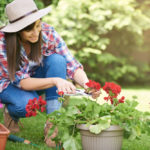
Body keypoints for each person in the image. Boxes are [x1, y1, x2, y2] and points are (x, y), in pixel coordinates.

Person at [0, 0, 100, 135]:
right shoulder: (4, 42)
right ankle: (11, 113)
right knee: (27, 105)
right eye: (29, 29)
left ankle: (52, 125)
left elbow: (72, 64)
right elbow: (23, 82)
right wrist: (56, 81)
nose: (36, 32)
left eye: (38, 25)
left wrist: (87, 84)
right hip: (8, 84)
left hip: (33, 79)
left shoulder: (47, 32)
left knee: (58, 60)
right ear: (17, 30)